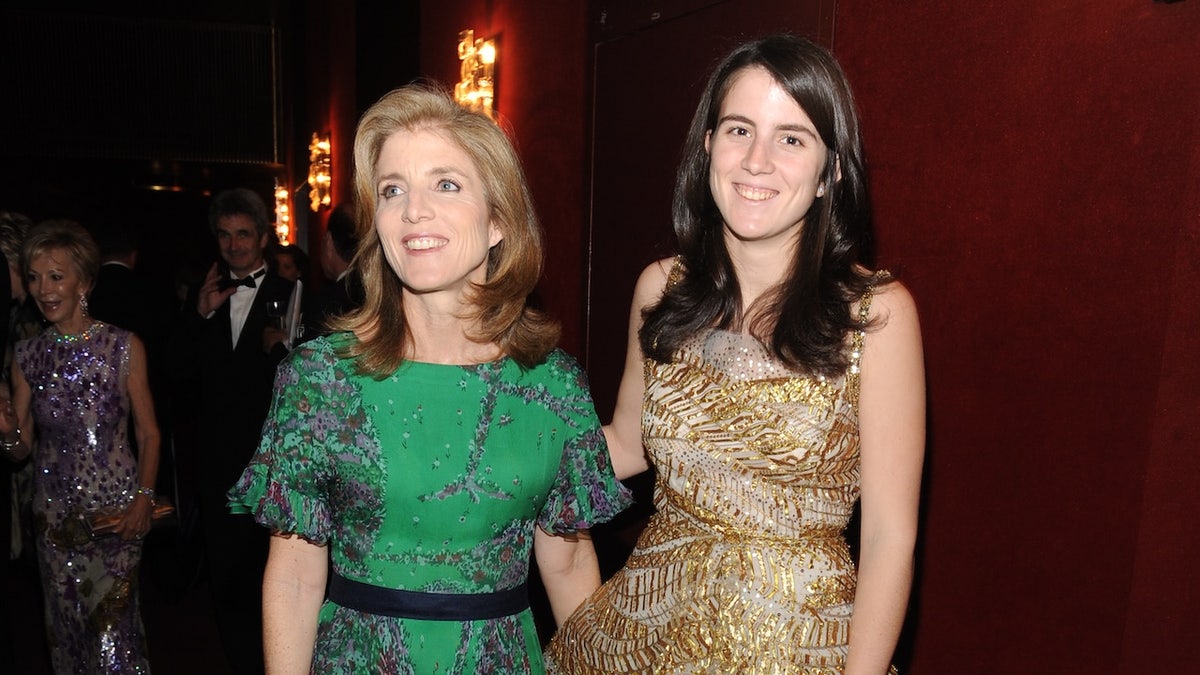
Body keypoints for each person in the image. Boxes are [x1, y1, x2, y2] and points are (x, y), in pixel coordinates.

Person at [545, 35, 925, 673]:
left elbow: (891, 538)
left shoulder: (876, 315)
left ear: (831, 169)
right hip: (645, 639)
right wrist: (510, 463)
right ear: (707, 146)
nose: (756, 160)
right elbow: (629, 444)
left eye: (792, 138)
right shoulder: (659, 288)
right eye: (739, 129)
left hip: (804, 649)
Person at [228, 83, 633, 674]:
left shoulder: (554, 385)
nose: (413, 210)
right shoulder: (319, 379)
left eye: (446, 184)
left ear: (498, 222)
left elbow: (568, 566)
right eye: (393, 190)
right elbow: (292, 575)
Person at [0, 219, 161, 673]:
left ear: (84, 281)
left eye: (56, 276)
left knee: (113, 638)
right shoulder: (28, 355)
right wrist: (6, 429)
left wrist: (143, 500)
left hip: (116, 519)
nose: (43, 289)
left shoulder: (123, 347)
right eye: (33, 277)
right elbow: (21, 450)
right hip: (55, 524)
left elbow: (149, 433)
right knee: (67, 639)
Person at [167, 188, 295, 674]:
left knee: (276, 579)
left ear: (264, 236)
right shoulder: (204, 299)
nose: (234, 245)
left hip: (273, 465)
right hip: (218, 465)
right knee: (227, 583)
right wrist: (197, 314)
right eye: (225, 234)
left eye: (244, 234)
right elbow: (175, 373)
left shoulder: (293, 298)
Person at [301, 201, 363, 339]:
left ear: (328, 241)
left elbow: (309, 359)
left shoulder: (323, 305)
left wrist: (276, 346)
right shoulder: (383, 293)